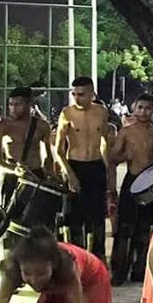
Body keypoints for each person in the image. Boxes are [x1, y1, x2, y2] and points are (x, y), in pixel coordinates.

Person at [108, 93, 153, 286]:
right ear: (134, 109)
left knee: (145, 228)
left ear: (152, 110)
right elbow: (112, 159)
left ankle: (140, 270)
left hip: (151, 184)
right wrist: (125, 156)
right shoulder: (125, 132)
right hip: (132, 181)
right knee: (125, 228)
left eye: (147, 108)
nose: (143, 112)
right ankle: (119, 271)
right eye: (140, 107)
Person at [56, 77, 112, 261]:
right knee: (74, 217)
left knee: (97, 217)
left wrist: (108, 169)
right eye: (74, 94)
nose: (77, 98)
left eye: (81, 94)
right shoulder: (67, 113)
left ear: (91, 94)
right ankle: (75, 257)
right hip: (75, 165)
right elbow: (58, 150)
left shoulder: (101, 112)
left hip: (95, 166)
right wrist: (69, 174)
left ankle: (98, 257)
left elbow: (105, 141)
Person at [0, 87, 54, 211]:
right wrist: (14, 169)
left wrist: (51, 174)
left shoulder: (42, 126)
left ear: (29, 104)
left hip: (36, 175)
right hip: (12, 177)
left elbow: (48, 156)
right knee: (8, 217)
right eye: (11, 104)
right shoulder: (2, 126)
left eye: (18, 105)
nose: (13, 109)